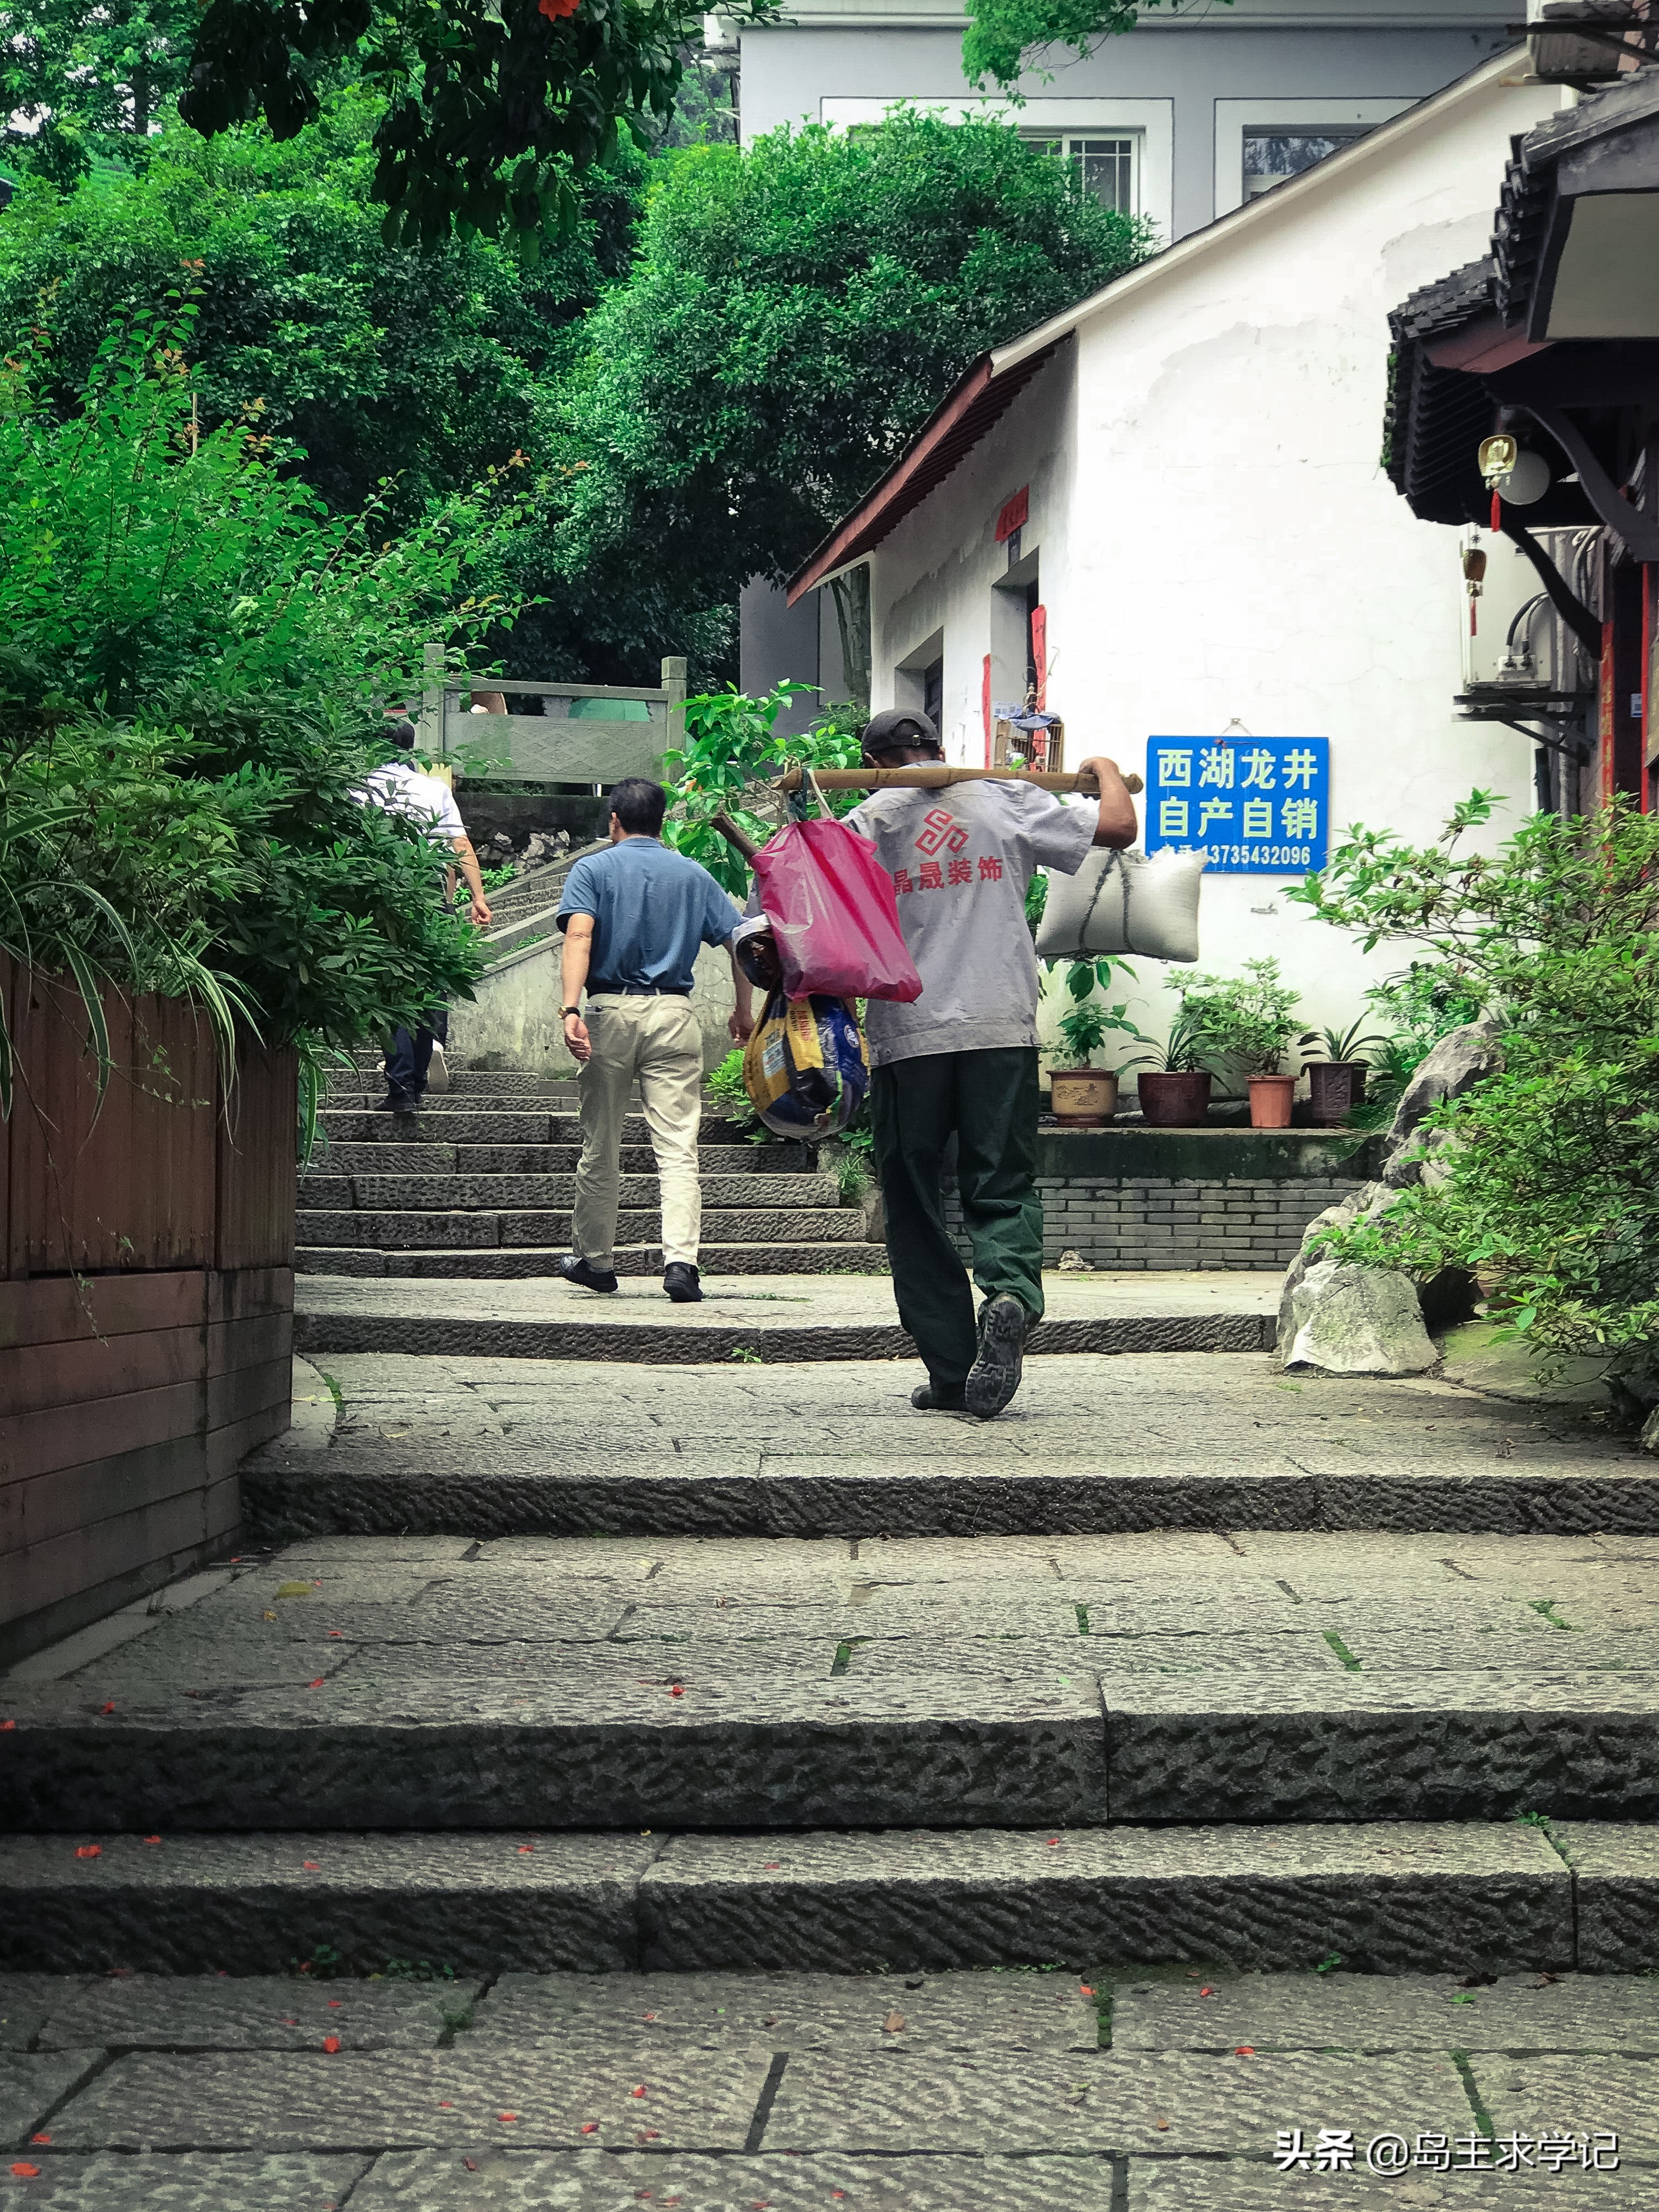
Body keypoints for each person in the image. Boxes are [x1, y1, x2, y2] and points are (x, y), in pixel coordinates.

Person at [844, 708, 1138, 1418]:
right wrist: (1098, 769)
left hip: (908, 1035)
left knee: (913, 1203)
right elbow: (1120, 830)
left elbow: (796, 902)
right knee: (1000, 1180)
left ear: (875, 762)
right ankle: (1009, 1293)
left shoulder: (867, 821)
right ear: (939, 749)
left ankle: (950, 1372)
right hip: (999, 1025)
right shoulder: (1007, 796)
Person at [556, 777, 754, 1304]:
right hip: (675, 1013)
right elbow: (742, 941)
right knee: (678, 1146)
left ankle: (596, 1261)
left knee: (602, 1145)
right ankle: (681, 1264)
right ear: (662, 822)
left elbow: (579, 934)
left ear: (614, 821)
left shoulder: (592, 869)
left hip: (609, 1011)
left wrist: (571, 1008)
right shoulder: (692, 874)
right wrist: (743, 1010)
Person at [353, 712, 493, 1115]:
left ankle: (400, 1086)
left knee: (390, 990)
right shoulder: (433, 789)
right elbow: (459, 843)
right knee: (427, 984)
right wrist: (478, 897)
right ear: (410, 747)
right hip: (430, 892)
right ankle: (415, 1083)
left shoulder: (358, 788)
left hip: (382, 895)